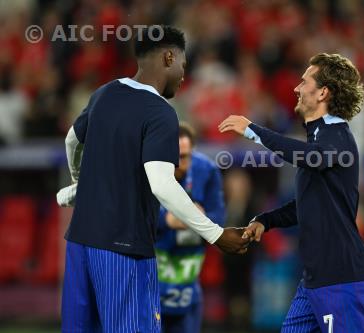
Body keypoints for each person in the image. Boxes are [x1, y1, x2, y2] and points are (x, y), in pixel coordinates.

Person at [58, 25, 249, 332]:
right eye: (184, 66)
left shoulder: (104, 94)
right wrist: (214, 234)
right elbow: (161, 184)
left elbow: (71, 141)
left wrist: (81, 183)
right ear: (169, 57)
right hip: (123, 247)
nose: (184, 75)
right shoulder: (160, 112)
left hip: (79, 242)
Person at [219, 53, 364, 332]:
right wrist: (266, 220)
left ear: (323, 92)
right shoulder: (318, 138)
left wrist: (255, 131)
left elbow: (310, 157)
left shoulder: (337, 134)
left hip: (341, 280)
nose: (296, 88)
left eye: (304, 82)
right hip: (315, 280)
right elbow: (307, 204)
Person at [156, 122, 225, 333]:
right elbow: (131, 217)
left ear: (193, 152)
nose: (178, 162)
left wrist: (200, 219)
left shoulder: (207, 171)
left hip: (186, 284)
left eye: (184, 156)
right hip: (149, 285)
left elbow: (218, 219)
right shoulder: (148, 169)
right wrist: (166, 220)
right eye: (173, 155)